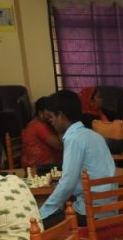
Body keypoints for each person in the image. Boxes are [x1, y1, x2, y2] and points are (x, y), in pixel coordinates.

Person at [37, 89, 116, 229]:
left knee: (41, 225)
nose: (51, 122)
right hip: (110, 209)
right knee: (60, 210)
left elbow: (68, 184)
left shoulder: (73, 139)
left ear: (61, 116)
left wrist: (41, 213)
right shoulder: (93, 135)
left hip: (92, 212)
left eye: (52, 118)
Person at [20, 96, 62, 170]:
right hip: (37, 168)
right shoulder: (37, 126)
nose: (51, 115)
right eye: (48, 113)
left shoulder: (46, 123)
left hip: (47, 165)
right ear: (40, 112)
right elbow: (59, 145)